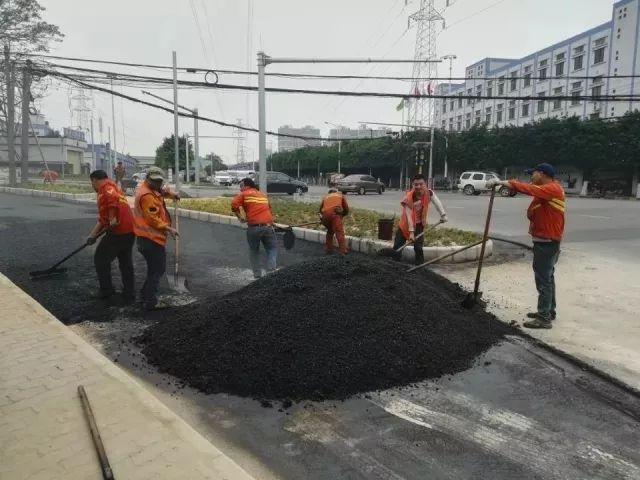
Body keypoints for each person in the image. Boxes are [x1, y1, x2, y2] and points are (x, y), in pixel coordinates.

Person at [487, 163, 565, 329]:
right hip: (546, 239)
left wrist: (503, 182)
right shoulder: (547, 189)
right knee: (548, 276)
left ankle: (544, 318)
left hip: (547, 241)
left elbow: (529, 189)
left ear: (542, 174)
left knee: (543, 278)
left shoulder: (552, 189)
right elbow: (528, 190)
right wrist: (510, 185)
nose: (531, 176)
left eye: (533, 173)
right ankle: (549, 311)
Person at [132, 166, 179, 310]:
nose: (158, 184)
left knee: (154, 269)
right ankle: (151, 301)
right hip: (149, 239)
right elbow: (152, 218)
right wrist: (168, 228)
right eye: (155, 181)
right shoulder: (146, 196)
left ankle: (144, 296)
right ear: (147, 179)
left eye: (159, 181)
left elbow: (162, 192)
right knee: (158, 269)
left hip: (149, 238)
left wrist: (173, 195)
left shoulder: (152, 189)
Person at [86, 169, 135, 303]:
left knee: (100, 259)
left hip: (118, 231)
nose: (93, 186)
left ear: (95, 180)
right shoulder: (115, 188)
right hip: (130, 231)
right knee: (125, 262)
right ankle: (129, 292)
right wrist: (92, 236)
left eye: (92, 183)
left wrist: (112, 217)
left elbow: (111, 202)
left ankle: (106, 291)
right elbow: (103, 220)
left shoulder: (105, 188)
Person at [392, 173, 448, 266]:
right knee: (398, 246)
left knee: (418, 247)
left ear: (425, 184)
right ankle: (393, 264)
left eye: (421, 184)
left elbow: (437, 203)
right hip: (405, 225)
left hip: (419, 225)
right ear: (413, 185)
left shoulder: (429, 193)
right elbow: (409, 216)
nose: (418, 186)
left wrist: (443, 215)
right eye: (416, 184)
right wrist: (411, 232)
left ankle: (419, 267)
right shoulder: (409, 197)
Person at [231, 177, 277, 279]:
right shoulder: (262, 195)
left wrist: (240, 217)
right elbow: (269, 209)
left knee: (254, 250)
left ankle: (257, 276)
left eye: (241, 186)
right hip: (268, 226)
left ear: (247, 186)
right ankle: (271, 273)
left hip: (254, 228)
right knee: (272, 249)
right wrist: (271, 222)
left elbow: (234, 204)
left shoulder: (244, 194)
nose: (240, 189)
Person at [318, 188, 349, 255]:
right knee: (339, 232)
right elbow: (346, 209)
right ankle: (342, 251)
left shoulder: (325, 197)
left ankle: (328, 250)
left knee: (330, 231)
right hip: (335, 214)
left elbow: (320, 210)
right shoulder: (340, 195)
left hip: (325, 216)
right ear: (336, 192)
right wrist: (342, 214)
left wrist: (323, 219)